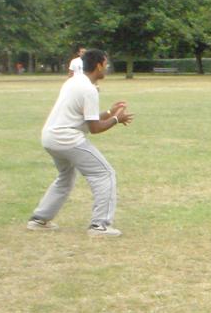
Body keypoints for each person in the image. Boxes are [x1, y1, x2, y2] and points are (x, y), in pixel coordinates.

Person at [27, 49, 134, 236]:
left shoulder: (74, 82)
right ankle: (100, 226)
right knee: (104, 173)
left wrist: (110, 112)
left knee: (65, 177)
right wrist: (117, 119)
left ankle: (39, 219)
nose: (107, 68)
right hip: (67, 139)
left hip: (50, 137)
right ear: (99, 65)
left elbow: (88, 117)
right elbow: (95, 128)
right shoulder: (88, 90)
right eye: (106, 64)